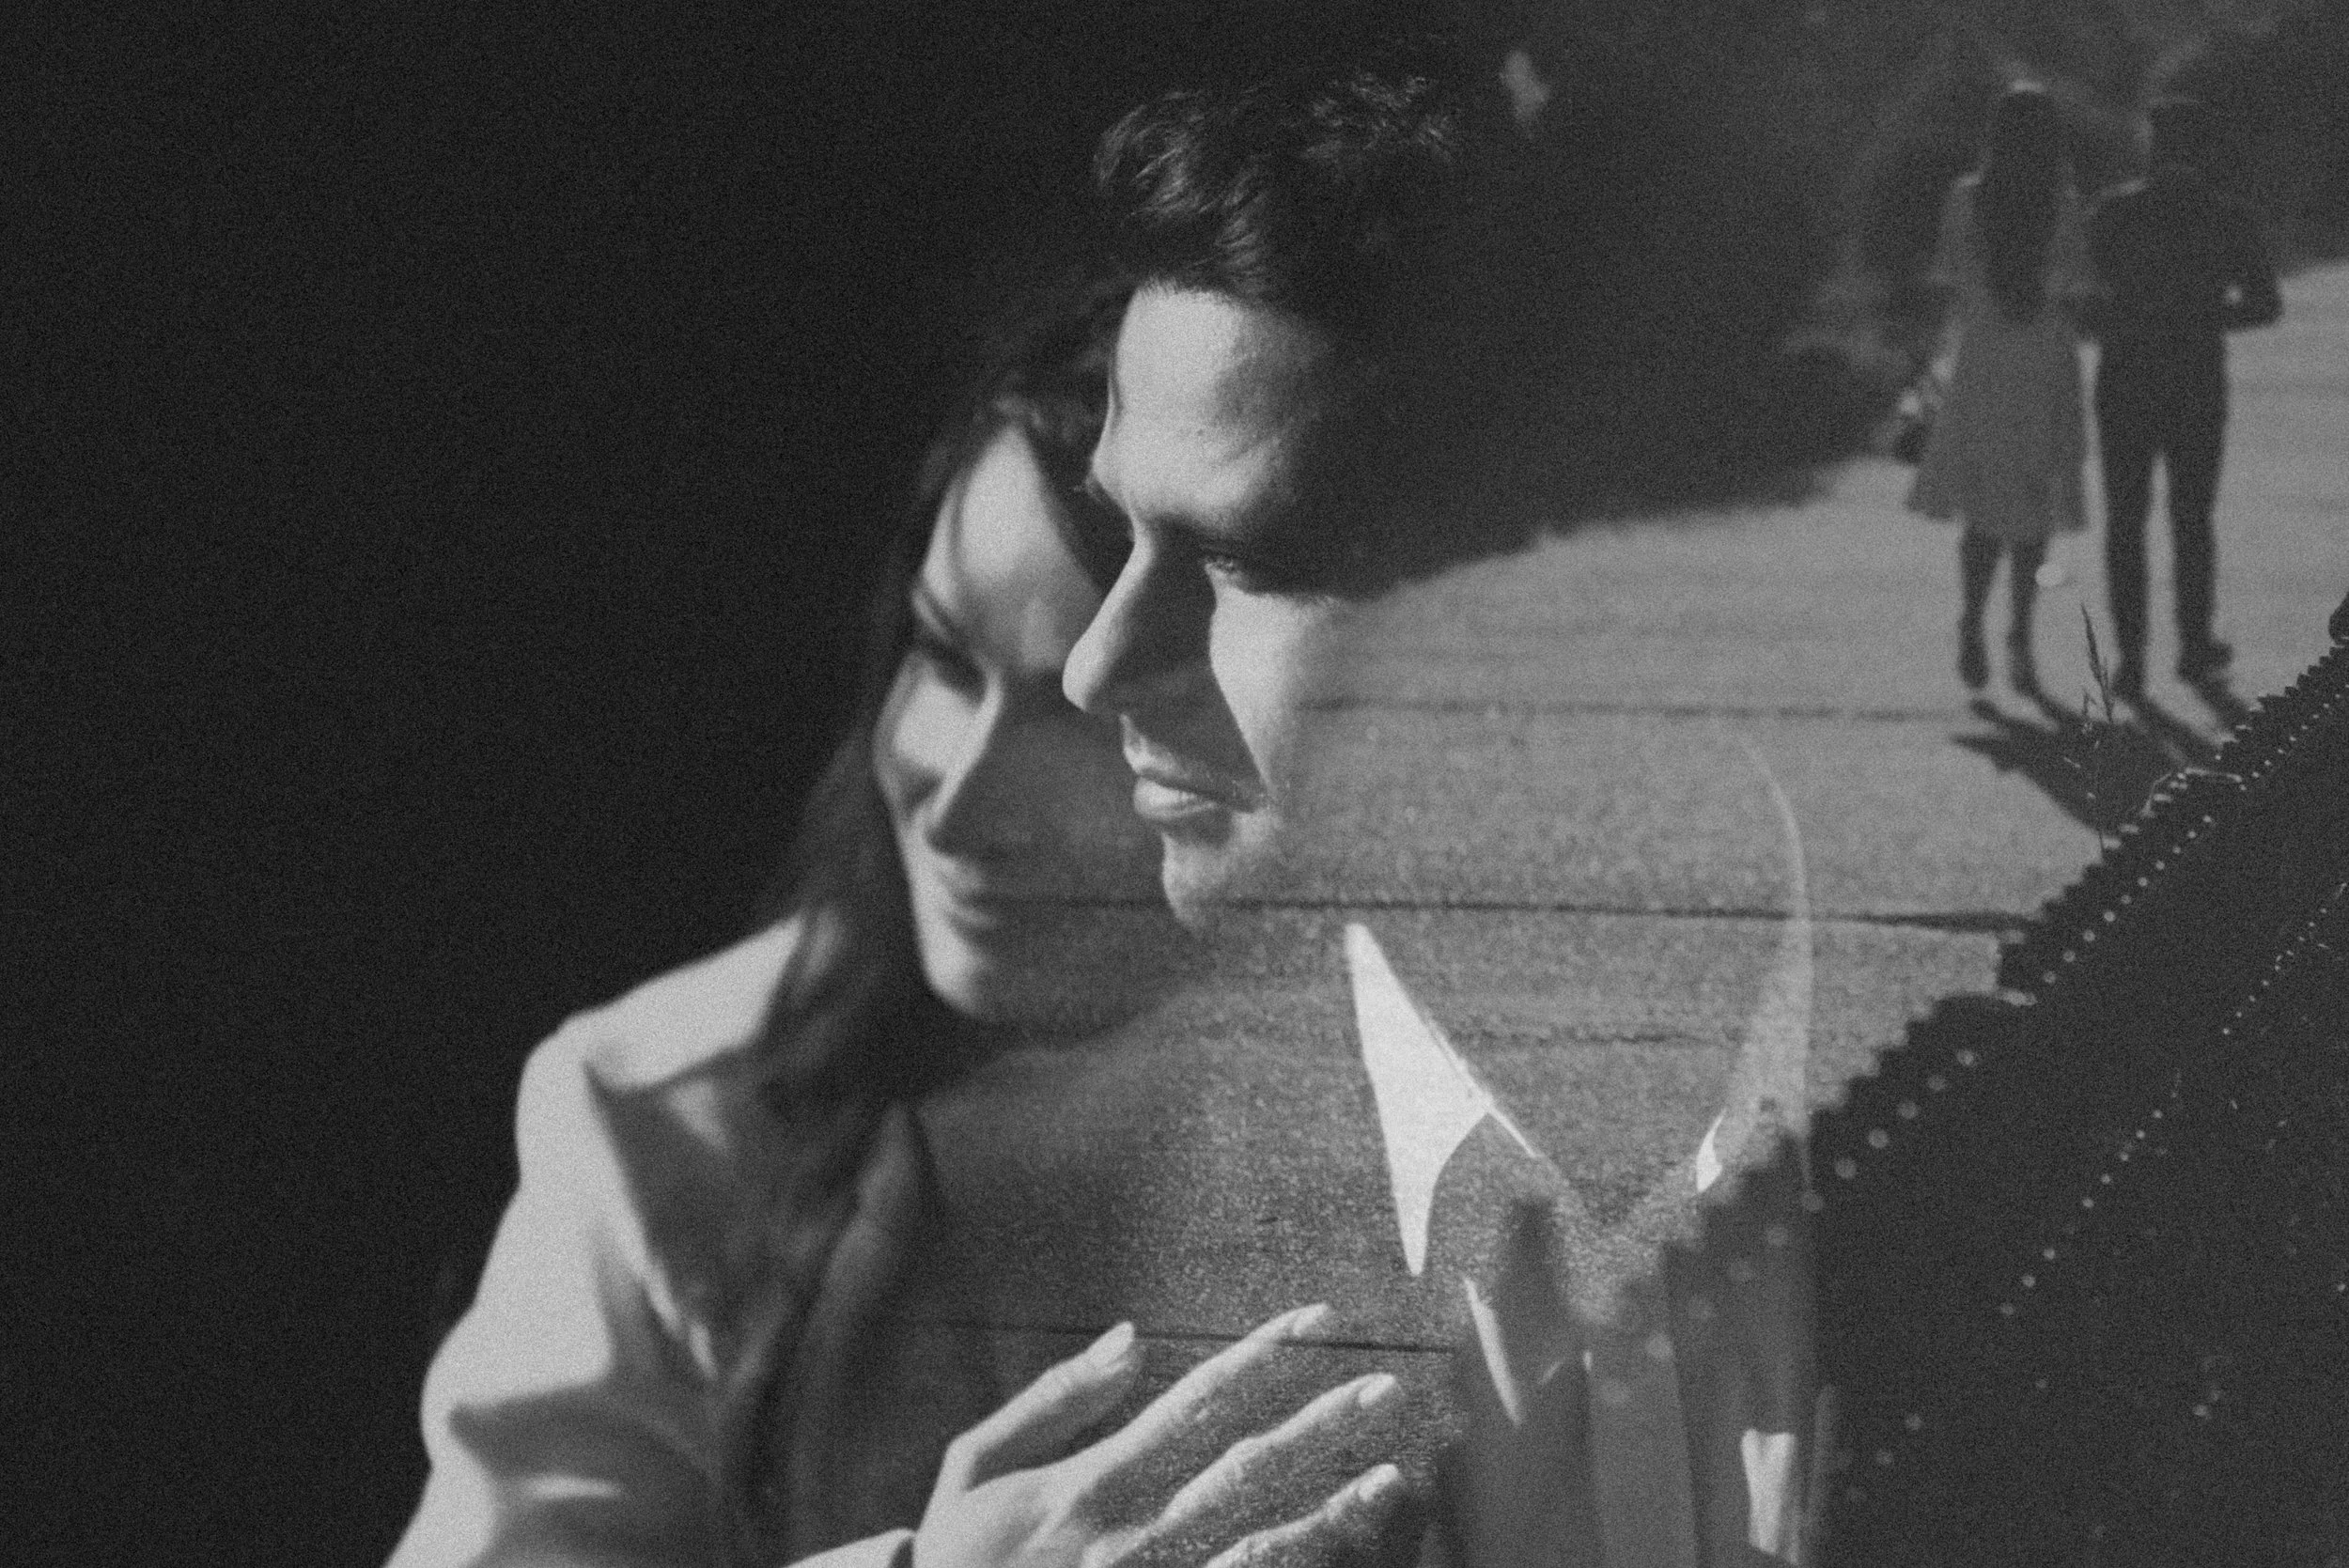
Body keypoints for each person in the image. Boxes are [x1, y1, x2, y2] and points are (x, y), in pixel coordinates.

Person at [387, 281, 1409, 1567]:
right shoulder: (674, 1119)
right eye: (943, 655)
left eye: (1083, 718)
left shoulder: (1444, 1090)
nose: (962, 799)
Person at [1067, 53, 1818, 1565]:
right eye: (1120, 537)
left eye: (1248, 566)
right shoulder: (1072, 1247)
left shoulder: (2073, 1039)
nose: (1096, 665)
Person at [2084, 95, 2282, 695]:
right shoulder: (2228, 216)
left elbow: (2086, 298)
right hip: (2196, 378)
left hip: (2126, 377)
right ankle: (2193, 644)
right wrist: (2203, 314)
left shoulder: (2114, 212)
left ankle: (2131, 656)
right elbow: (2265, 305)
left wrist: (2129, 315)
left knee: (2125, 519)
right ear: (2205, 149)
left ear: (2152, 145)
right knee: (2192, 517)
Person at [1901, 85, 2095, 696]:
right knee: (2033, 505)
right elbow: (2078, 283)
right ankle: (2020, 638)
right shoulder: (2062, 204)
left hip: (1984, 359)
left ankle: (1971, 621)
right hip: (2043, 361)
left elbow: (1946, 275)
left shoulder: (1967, 198)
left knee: (1982, 506)